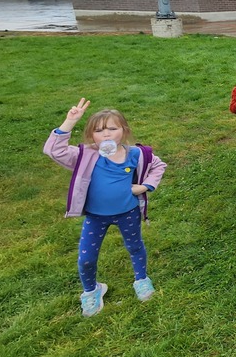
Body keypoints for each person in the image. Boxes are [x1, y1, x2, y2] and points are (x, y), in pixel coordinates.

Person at [43, 99, 167, 317]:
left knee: (135, 247)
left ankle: (141, 280)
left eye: (112, 128)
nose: (106, 134)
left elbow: (158, 165)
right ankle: (92, 291)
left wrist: (145, 186)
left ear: (124, 130)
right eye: (99, 131)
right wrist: (69, 122)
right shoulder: (84, 155)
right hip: (96, 217)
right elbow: (53, 151)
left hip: (128, 212)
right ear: (92, 135)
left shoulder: (136, 154)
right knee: (87, 258)